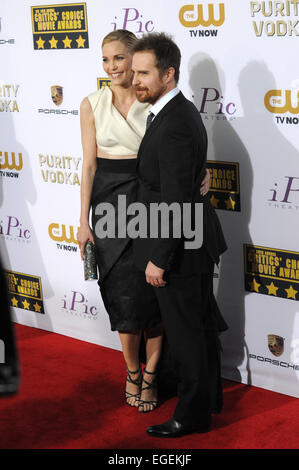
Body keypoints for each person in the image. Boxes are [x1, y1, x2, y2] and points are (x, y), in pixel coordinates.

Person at [77, 29, 210, 414]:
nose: (114, 67)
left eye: (120, 58)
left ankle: (151, 374)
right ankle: (132, 371)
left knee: (156, 295)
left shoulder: (151, 99)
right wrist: (82, 219)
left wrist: (201, 172)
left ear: (137, 62)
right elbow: (87, 166)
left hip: (150, 206)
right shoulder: (91, 103)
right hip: (109, 206)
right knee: (121, 294)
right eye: (106, 59)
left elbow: (177, 151)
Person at [131, 32, 228, 437]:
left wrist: (160, 257)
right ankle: (207, 401)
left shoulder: (175, 123)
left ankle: (191, 416)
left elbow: (176, 201)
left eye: (144, 73)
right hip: (190, 240)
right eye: (134, 72)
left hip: (181, 246)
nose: (136, 80)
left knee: (187, 332)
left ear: (169, 74)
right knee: (198, 325)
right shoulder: (174, 114)